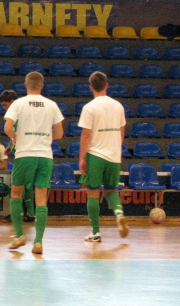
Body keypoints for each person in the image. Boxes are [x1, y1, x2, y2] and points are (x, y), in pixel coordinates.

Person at [4, 72, 64, 254]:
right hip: (45, 155)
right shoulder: (52, 105)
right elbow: (60, 134)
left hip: (25, 154)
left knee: (16, 193)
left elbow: (7, 127)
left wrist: (17, 139)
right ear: (42, 85)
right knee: (41, 199)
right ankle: (38, 242)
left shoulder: (19, 103)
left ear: (25, 84)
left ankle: (20, 236)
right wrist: (44, 139)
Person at [78, 71, 129, 242]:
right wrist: (115, 148)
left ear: (91, 87)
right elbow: (122, 132)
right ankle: (119, 214)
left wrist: (82, 158)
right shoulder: (118, 106)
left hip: (96, 154)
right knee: (110, 190)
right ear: (107, 85)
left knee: (92, 193)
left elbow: (86, 135)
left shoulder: (89, 107)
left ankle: (96, 232)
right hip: (114, 155)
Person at [0, 89, 35, 223]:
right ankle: (30, 213)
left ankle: (17, 213)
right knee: (27, 184)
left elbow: (14, 133)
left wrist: (14, 143)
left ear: (12, 102)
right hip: (32, 151)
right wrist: (10, 146)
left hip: (24, 152)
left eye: (5, 105)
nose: (4, 108)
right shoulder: (26, 113)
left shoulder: (16, 114)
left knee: (17, 184)